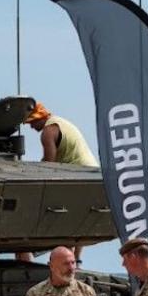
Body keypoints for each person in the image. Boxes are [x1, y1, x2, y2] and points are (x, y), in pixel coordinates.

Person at [17, 103, 100, 264]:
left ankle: (67, 258)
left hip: (76, 175)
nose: (32, 127)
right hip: (91, 172)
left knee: (66, 218)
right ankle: (75, 260)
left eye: (32, 123)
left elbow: (50, 166)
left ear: (40, 118)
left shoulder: (48, 132)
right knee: (78, 219)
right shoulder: (60, 122)